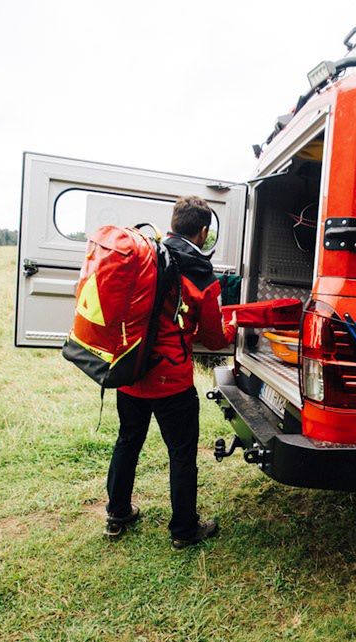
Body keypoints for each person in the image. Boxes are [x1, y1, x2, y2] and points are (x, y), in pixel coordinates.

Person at [104, 195, 237, 548]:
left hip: (131, 371)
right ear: (204, 232)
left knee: (127, 441)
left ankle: (118, 513)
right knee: (180, 453)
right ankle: (183, 530)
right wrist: (232, 328)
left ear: (173, 224)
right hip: (172, 382)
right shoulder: (201, 274)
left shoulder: (146, 255)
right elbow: (212, 335)